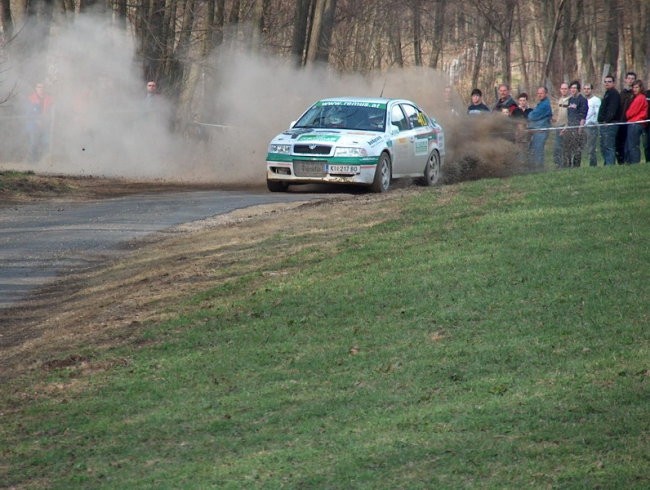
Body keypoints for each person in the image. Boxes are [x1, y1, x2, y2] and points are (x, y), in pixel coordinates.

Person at [25, 82, 54, 163]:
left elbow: (53, 112)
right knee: (34, 144)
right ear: (36, 88)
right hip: (33, 126)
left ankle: (43, 162)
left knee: (46, 143)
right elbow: (28, 113)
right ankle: (30, 162)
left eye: (43, 87)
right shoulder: (31, 98)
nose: (41, 89)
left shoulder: (50, 99)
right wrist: (36, 120)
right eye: (39, 87)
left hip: (46, 125)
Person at [597, 75, 621, 165]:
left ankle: (610, 165)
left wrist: (607, 121)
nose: (607, 83)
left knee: (609, 146)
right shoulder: (607, 93)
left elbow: (612, 109)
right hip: (604, 124)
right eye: (605, 81)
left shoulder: (614, 94)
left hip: (610, 124)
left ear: (613, 83)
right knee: (603, 146)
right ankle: (607, 163)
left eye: (609, 81)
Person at [563, 81, 588, 167]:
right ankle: (568, 165)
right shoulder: (570, 100)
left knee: (577, 149)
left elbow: (583, 116)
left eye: (574, 88)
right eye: (571, 88)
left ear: (578, 89)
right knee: (567, 149)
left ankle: (576, 166)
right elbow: (569, 116)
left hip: (578, 128)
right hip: (570, 127)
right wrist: (565, 128)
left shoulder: (582, 100)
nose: (572, 90)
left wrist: (580, 129)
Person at [527, 86, 553, 167]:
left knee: (538, 149)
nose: (539, 95)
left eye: (541, 93)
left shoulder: (545, 105)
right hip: (537, 130)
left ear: (546, 94)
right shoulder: (541, 103)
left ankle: (539, 167)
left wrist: (530, 114)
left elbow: (532, 116)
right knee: (534, 149)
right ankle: (534, 166)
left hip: (541, 131)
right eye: (538, 93)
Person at [623, 80, 648, 164]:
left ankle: (634, 162)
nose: (634, 89)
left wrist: (627, 114)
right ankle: (629, 162)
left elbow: (631, 112)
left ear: (641, 88)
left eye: (637, 87)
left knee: (633, 145)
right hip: (633, 123)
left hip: (636, 123)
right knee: (629, 144)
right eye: (633, 87)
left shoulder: (640, 98)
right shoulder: (636, 97)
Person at [616, 72, 636, 163]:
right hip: (621, 121)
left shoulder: (636, 94)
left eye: (632, 78)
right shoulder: (622, 93)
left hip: (631, 122)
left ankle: (630, 161)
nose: (630, 80)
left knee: (630, 143)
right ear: (625, 79)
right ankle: (621, 161)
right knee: (620, 142)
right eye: (629, 78)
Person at [583, 83, 601, 166]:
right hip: (583, 125)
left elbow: (597, 114)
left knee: (591, 147)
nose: (586, 90)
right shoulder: (583, 100)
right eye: (585, 88)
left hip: (591, 127)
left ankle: (592, 165)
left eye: (588, 88)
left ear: (591, 90)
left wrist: (594, 123)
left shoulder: (596, 100)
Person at [552, 82, 570, 167]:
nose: (564, 90)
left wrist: (567, 126)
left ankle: (566, 164)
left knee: (565, 147)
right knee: (557, 146)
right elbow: (556, 113)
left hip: (566, 126)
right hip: (558, 126)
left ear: (568, 89)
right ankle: (558, 164)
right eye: (562, 89)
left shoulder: (570, 100)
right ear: (560, 90)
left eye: (565, 89)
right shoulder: (559, 100)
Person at [512, 93, 533, 157]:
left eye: (524, 100)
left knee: (528, 151)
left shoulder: (530, 111)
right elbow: (512, 122)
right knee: (519, 151)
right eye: (520, 100)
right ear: (518, 101)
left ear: (526, 101)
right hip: (518, 135)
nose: (522, 102)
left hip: (528, 134)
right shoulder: (515, 111)